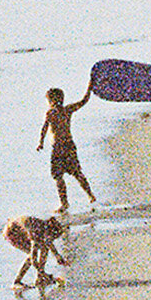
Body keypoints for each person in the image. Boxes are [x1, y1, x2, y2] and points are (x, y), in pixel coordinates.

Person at [39, 82, 97, 211]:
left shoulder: (52, 113)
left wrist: (41, 142)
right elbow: (83, 101)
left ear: (51, 100)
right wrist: (89, 88)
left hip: (59, 147)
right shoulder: (67, 110)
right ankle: (89, 195)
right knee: (75, 173)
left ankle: (66, 203)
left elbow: (44, 128)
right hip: (67, 145)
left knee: (60, 176)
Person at [5, 214, 69, 289]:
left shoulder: (45, 228)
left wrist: (57, 256)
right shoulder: (36, 231)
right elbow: (33, 259)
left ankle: (40, 278)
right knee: (31, 255)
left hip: (22, 230)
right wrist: (43, 272)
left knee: (44, 247)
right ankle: (17, 281)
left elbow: (48, 242)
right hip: (12, 233)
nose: (52, 240)